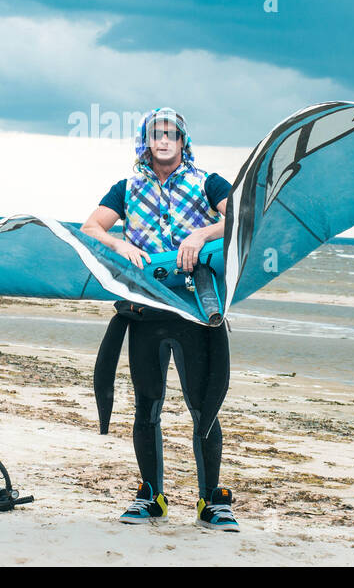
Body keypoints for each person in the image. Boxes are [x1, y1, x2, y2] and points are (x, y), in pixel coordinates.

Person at [80, 107, 239, 531]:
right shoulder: (127, 187)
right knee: (147, 405)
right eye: (156, 134)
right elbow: (90, 227)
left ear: (183, 141)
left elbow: (238, 216)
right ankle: (152, 496)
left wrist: (200, 234)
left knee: (202, 404)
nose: (164, 141)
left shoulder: (207, 182)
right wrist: (118, 244)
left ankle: (210, 501)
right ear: (146, 141)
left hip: (193, 308)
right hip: (145, 309)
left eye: (172, 134)